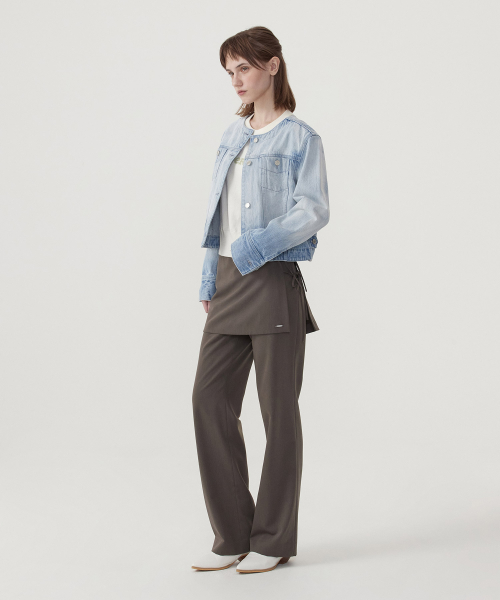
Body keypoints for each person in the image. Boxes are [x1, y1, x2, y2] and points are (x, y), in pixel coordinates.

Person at [191, 26, 330, 574]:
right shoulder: (233, 135)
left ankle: (273, 538)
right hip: (229, 281)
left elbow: (313, 210)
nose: (236, 80)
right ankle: (232, 535)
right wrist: (210, 275)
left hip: (271, 278)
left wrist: (254, 248)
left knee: (278, 414)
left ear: (272, 65)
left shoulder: (301, 138)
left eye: (244, 68)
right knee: (208, 400)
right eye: (229, 72)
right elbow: (215, 213)